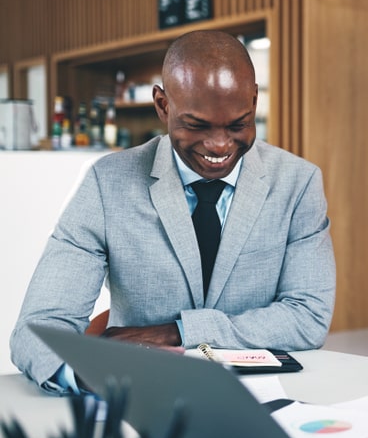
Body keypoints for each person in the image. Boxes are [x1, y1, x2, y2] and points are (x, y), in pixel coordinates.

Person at [10, 30, 336, 392]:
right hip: (142, 399)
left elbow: (308, 317)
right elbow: (37, 328)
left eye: (237, 124)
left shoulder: (299, 183)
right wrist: (89, 373)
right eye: (197, 125)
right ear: (163, 105)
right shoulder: (107, 184)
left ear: (255, 100)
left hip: (269, 397)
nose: (220, 145)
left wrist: (177, 333)